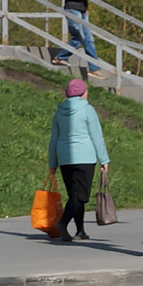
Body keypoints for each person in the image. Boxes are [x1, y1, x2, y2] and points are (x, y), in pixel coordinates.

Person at [48, 78, 110, 241]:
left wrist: (52, 163)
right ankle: (62, 223)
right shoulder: (87, 109)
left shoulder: (59, 111)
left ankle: (80, 230)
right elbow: (97, 136)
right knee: (80, 196)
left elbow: (54, 138)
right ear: (83, 93)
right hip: (85, 157)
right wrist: (104, 159)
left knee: (74, 195)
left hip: (64, 158)